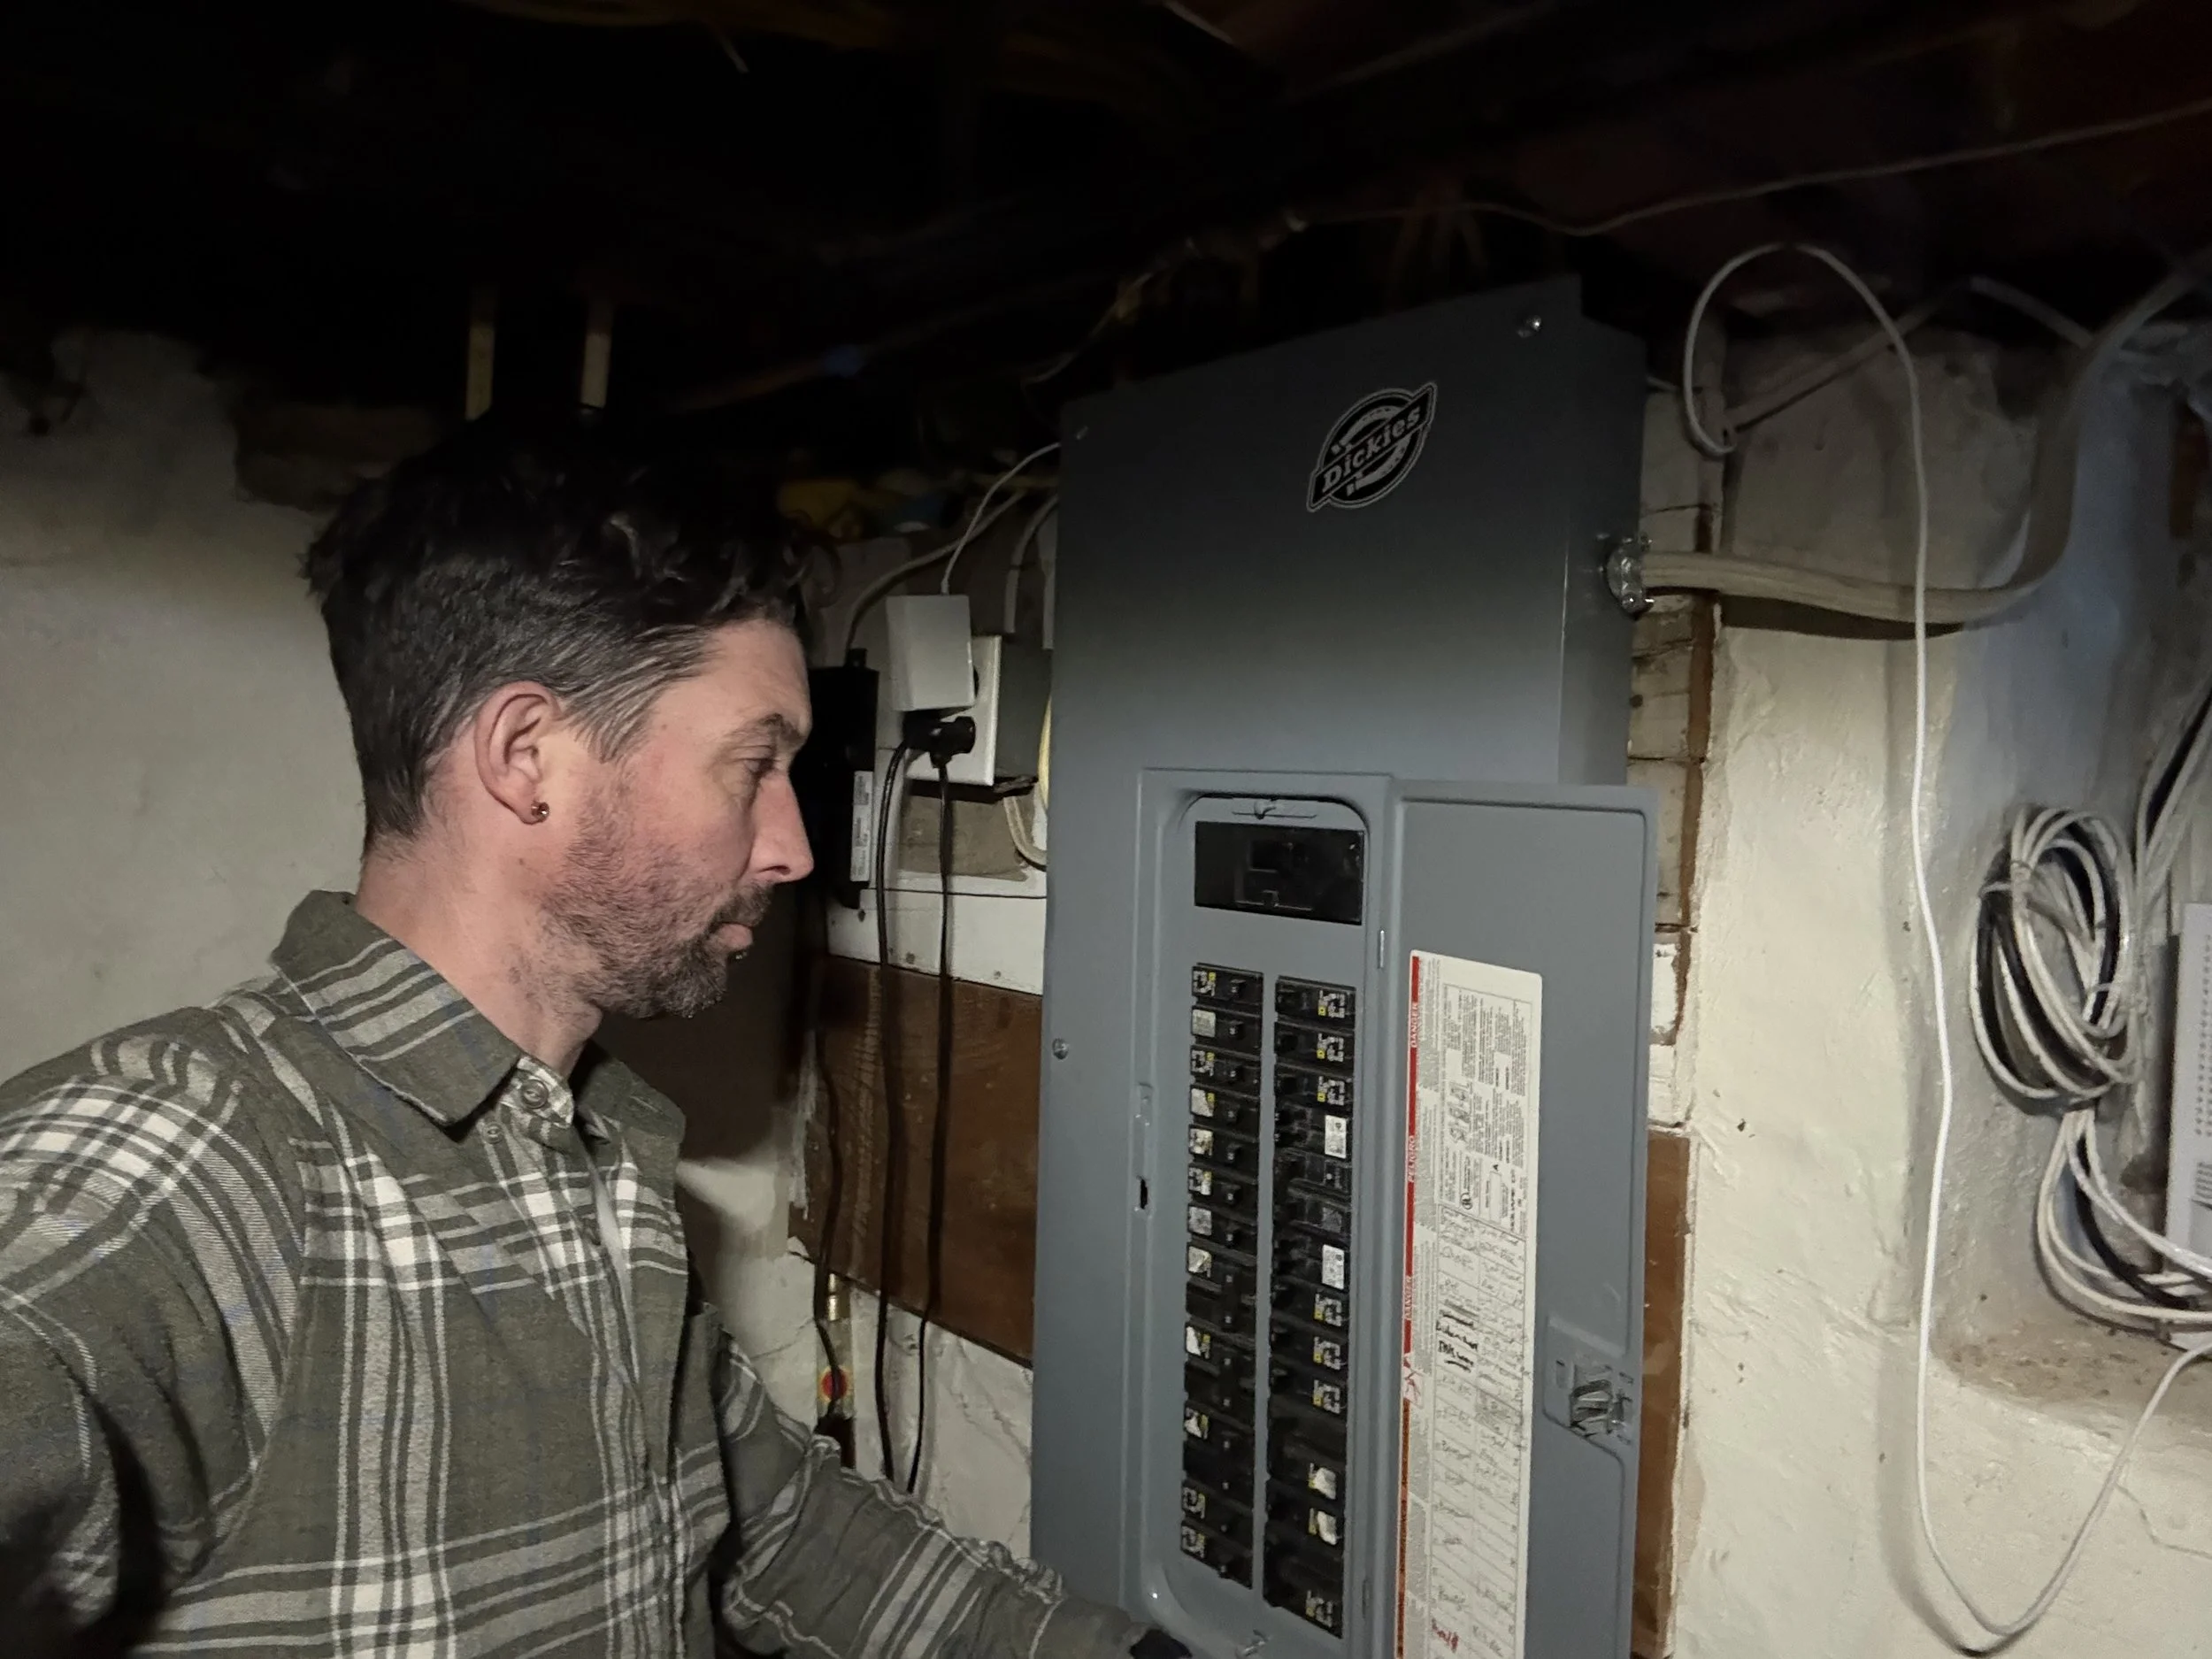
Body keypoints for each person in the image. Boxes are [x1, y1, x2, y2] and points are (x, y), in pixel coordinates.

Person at [0, 424, 1184, 1657]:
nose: (790, 847)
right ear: (529, 759)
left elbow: (783, 1529)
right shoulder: (185, 1162)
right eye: (754, 763)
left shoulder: (589, 1159)